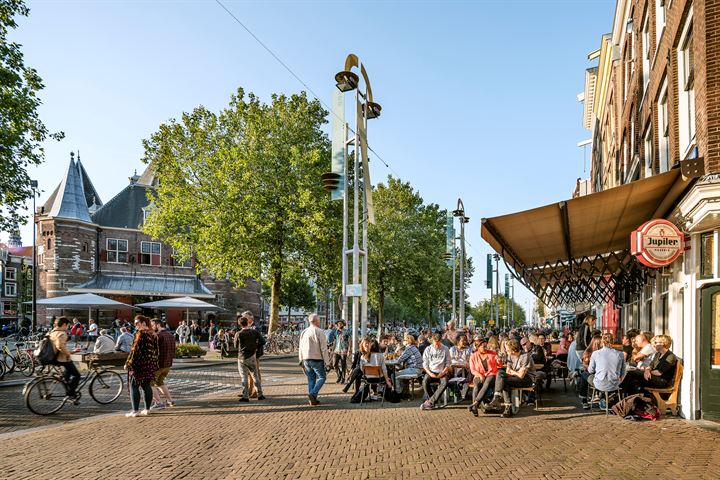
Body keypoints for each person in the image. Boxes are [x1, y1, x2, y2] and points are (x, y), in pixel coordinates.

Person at [124, 315, 159, 417]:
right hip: (149, 363)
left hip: (139, 364)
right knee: (146, 385)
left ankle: (135, 411)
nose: (135, 325)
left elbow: (135, 350)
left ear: (143, 323)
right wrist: (154, 363)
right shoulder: (153, 334)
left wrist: (128, 363)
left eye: (137, 323)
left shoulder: (140, 334)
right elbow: (156, 351)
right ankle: (147, 409)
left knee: (134, 385)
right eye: (134, 323)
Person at [494, 339, 536, 417]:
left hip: (527, 379)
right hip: (516, 377)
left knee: (504, 381)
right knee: (500, 373)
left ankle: (507, 408)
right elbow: (507, 371)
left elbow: (521, 375)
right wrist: (514, 372)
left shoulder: (525, 356)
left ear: (513, 350)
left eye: (507, 350)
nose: (506, 351)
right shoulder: (510, 356)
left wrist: (513, 372)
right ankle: (497, 398)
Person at [298, 313, 331, 406]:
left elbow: (300, 347)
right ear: (316, 321)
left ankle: (312, 400)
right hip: (316, 358)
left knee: (311, 379)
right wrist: (327, 362)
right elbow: (324, 348)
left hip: (306, 359)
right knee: (322, 377)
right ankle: (312, 394)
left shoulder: (304, 332)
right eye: (319, 321)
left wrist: (300, 359)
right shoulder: (320, 331)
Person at [234, 315, 266, 402]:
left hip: (242, 357)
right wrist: (255, 347)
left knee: (244, 377)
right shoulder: (254, 332)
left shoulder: (238, 334)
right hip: (252, 356)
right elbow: (263, 341)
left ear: (239, 324)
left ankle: (245, 396)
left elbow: (235, 346)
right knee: (255, 376)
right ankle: (260, 394)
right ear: (247, 322)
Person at [468, 337, 503, 416]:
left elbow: (500, 365)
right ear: (478, 347)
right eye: (483, 347)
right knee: (477, 385)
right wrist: (480, 375)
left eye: (485, 346)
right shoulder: (473, 356)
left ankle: (475, 404)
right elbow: (472, 369)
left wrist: (499, 360)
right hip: (478, 374)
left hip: (491, 374)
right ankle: (475, 407)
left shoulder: (492, 353)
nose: (485, 348)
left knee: (486, 383)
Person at [49, 316, 81, 401]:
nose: (68, 327)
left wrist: (72, 351)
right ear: (64, 324)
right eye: (67, 326)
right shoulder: (62, 333)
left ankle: (66, 386)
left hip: (52, 357)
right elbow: (60, 346)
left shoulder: (52, 332)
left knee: (67, 374)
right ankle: (70, 394)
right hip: (60, 358)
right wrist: (68, 354)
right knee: (77, 375)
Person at [587, 333, 626, 399]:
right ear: (613, 341)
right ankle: (605, 397)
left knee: (588, 376)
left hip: (600, 384)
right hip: (615, 385)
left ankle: (592, 398)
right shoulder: (620, 354)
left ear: (602, 342)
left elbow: (590, 371)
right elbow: (623, 372)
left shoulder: (595, 353)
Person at [420, 333, 452, 411]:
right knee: (424, 382)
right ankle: (432, 401)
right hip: (431, 371)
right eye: (435, 344)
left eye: (438, 344)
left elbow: (448, 363)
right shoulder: (428, 349)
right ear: (432, 341)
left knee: (445, 382)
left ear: (441, 341)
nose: (437, 346)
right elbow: (425, 364)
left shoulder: (446, 349)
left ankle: (430, 402)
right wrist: (430, 373)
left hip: (442, 371)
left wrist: (443, 372)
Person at [150, 319, 176, 409]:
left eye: (152, 325)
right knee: (160, 382)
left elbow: (152, 351)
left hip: (158, 365)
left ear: (157, 325)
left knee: (149, 383)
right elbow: (174, 350)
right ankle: (170, 400)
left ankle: (158, 402)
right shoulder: (170, 335)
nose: (151, 328)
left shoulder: (158, 336)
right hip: (168, 364)